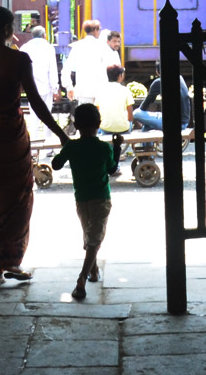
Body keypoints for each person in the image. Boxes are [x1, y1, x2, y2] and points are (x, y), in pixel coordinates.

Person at [0, 6, 68, 288]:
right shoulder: (19, 59)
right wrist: (60, 134)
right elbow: (36, 103)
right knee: (17, 197)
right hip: (12, 137)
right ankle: (11, 260)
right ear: (7, 29)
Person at [52, 103, 123, 300]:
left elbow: (56, 165)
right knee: (94, 239)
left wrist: (66, 148)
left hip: (81, 199)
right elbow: (112, 169)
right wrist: (117, 147)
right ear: (99, 124)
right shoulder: (104, 148)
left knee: (89, 236)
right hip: (101, 198)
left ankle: (93, 271)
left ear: (76, 125)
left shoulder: (72, 147)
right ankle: (81, 279)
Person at [133, 64, 191, 132]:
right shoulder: (180, 78)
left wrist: (142, 120)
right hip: (184, 122)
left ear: (157, 72)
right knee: (146, 127)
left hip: (172, 123)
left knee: (136, 113)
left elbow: (144, 106)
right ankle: (148, 131)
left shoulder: (158, 82)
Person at [64, 19, 108, 107]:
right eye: (99, 30)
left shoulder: (77, 46)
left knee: (85, 114)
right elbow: (107, 68)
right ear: (95, 30)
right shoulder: (102, 46)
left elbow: (66, 69)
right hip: (99, 90)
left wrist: (69, 87)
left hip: (82, 91)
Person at [21, 26, 61, 108]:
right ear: (43, 35)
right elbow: (52, 70)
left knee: (33, 112)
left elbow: (21, 69)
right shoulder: (49, 47)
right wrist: (55, 89)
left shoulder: (25, 47)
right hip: (46, 88)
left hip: (31, 87)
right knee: (46, 111)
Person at [96, 65, 135, 136]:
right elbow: (130, 112)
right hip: (123, 128)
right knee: (130, 124)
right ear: (120, 76)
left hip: (105, 128)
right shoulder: (125, 90)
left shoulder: (101, 90)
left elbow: (97, 111)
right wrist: (130, 123)